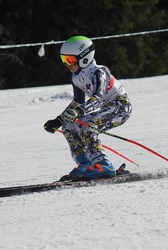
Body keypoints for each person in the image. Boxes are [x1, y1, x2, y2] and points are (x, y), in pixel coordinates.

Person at [44, 36, 132, 180]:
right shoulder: (76, 77)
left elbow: (97, 100)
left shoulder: (99, 72)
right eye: (64, 60)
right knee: (69, 125)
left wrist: (79, 112)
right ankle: (85, 163)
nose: (67, 64)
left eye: (71, 60)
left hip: (120, 107)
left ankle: (104, 165)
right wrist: (59, 120)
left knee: (88, 127)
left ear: (85, 57)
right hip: (104, 108)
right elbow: (78, 102)